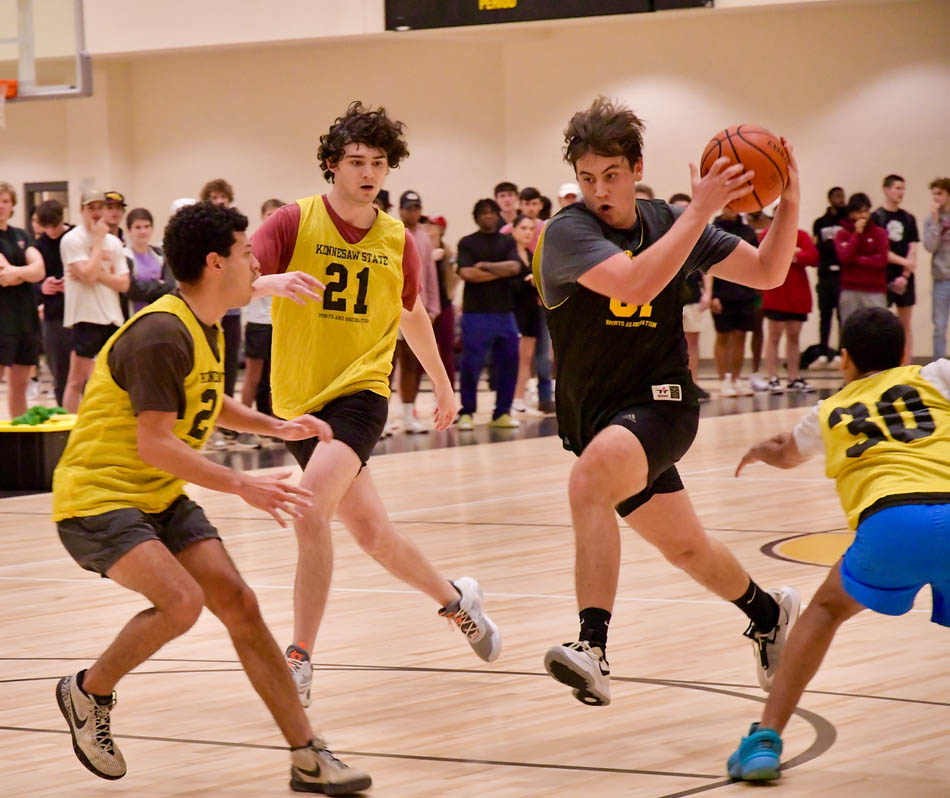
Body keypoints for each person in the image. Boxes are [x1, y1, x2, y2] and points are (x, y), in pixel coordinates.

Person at [52, 201, 370, 794]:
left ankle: (307, 755)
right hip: (97, 497)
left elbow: (207, 402)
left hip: (157, 497)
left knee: (241, 605)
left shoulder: (206, 323)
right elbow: (155, 442)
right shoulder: (159, 331)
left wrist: (275, 426)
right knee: (182, 601)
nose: (256, 264)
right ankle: (88, 691)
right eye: (249, 253)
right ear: (216, 261)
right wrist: (243, 484)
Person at [533, 96, 802, 707]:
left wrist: (788, 199)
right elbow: (636, 281)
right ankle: (767, 615)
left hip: (661, 403)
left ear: (636, 168)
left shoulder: (670, 220)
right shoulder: (566, 233)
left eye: (610, 175)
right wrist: (698, 213)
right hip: (595, 417)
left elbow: (767, 271)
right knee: (687, 548)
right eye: (586, 178)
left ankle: (592, 649)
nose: (598, 189)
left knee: (588, 483)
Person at [251, 101, 501, 707]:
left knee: (310, 513)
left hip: (361, 393)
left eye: (379, 163)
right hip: (297, 402)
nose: (368, 173)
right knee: (372, 533)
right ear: (332, 165)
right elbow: (230, 277)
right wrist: (269, 282)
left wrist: (442, 384)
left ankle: (299, 659)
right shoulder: (291, 222)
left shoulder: (398, 239)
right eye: (356, 162)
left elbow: (410, 313)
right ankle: (455, 599)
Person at [727, 307, 950, 782]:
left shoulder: (828, 411)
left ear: (844, 360)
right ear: (905, 352)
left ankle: (764, 739)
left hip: (891, 521)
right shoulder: (938, 374)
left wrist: (760, 451)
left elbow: (786, 452)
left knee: (826, 611)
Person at [60, 189, 130, 413]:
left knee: (115, 382)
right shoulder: (72, 240)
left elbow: (124, 284)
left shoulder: (115, 243)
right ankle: (68, 433)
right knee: (76, 380)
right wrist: (98, 243)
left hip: (113, 318)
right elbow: (88, 276)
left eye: (100, 207)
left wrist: (98, 274)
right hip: (86, 316)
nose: (97, 213)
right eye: (91, 208)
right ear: (81, 211)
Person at [456, 198, 523, 430]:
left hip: (504, 313)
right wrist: (500, 271)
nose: (488, 216)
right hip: (476, 313)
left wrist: (485, 266)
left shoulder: (507, 241)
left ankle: (502, 413)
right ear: (476, 217)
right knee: (471, 365)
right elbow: (467, 273)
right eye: (483, 213)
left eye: (492, 212)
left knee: (509, 363)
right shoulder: (467, 242)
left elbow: (515, 267)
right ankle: (467, 412)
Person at [394, 189, 440, 433]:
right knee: (387, 365)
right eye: (408, 208)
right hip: (390, 311)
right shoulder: (390, 233)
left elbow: (430, 276)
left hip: (416, 310)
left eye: (416, 208)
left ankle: (408, 413)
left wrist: (432, 308)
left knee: (413, 364)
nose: (412, 212)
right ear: (400, 210)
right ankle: (383, 417)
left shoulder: (423, 239)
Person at [239, 198, 283, 438]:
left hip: (280, 322)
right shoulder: (254, 246)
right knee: (253, 376)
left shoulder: (289, 246)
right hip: (258, 321)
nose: (273, 218)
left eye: (278, 214)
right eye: (269, 214)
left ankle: (274, 428)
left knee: (275, 377)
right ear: (262, 216)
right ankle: (241, 428)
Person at [0, 181, 45, 418]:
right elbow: (2, 276)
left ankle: (19, 438)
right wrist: (25, 272)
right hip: (2, 319)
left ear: (13, 204)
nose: (1, 205)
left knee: (20, 386)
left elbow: (39, 270)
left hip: (25, 319)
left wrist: (18, 273)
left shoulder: (21, 235)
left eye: (6, 201)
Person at [761, 223, 819, 392]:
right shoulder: (767, 233)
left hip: (797, 293)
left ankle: (793, 376)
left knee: (794, 336)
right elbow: (766, 255)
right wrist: (792, 252)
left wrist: (794, 255)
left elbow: (813, 257)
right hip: (776, 292)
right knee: (774, 336)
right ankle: (772, 377)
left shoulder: (801, 235)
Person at [710, 206, 759, 397]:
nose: (732, 207)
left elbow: (756, 259)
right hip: (722, 292)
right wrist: (713, 294)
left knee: (741, 336)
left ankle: (736, 379)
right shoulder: (713, 229)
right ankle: (723, 380)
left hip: (745, 292)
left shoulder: (747, 231)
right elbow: (707, 264)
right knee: (723, 336)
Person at [873, 174, 919, 364]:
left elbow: (912, 247)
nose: (901, 192)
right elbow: (880, 250)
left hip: (904, 277)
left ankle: (905, 365)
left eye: (903, 189)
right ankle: (881, 365)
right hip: (883, 275)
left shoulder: (908, 218)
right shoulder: (876, 217)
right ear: (886, 189)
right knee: (880, 323)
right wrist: (904, 263)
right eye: (897, 188)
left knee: (905, 324)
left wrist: (906, 275)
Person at [33, 199, 74, 406]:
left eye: (55, 226)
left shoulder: (76, 237)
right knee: (60, 374)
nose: (52, 232)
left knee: (86, 375)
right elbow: (30, 283)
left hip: (80, 314)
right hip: (54, 316)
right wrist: (43, 287)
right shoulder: (38, 246)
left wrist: (74, 283)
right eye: (46, 228)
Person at [670, 193, 711, 399]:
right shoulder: (664, 234)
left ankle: (693, 383)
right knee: (671, 344)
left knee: (693, 343)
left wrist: (708, 294)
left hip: (693, 296)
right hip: (670, 299)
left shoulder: (698, 234)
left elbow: (707, 268)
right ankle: (674, 385)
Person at [834, 192, 889, 325]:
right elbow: (845, 257)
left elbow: (881, 260)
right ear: (851, 214)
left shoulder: (880, 233)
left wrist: (857, 260)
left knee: (878, 332)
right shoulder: (842, 234)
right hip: (850, 290)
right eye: (858, 212)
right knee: (850, 331)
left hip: (875, 290)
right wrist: (857, 234)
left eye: (866, 211)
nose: (863, 216)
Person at [811, 186, 847, 367]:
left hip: (842, 274)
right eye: (837, 196)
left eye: (842, 196)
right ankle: (824, 351)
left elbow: (845, 248)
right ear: (830, 198)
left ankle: (841, 352)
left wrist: (833, 246)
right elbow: (817, 247)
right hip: (824, 274)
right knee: (825, 315)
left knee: (842, 315)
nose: (841, 199)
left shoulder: (847, 220)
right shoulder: (820, 223)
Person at [123, 207, 176, 315]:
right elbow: (131, 290)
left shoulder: (160, 255)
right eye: (138, 227)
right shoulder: (124, 255)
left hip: (158, 315)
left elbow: (170, 286)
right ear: (129, 230)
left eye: (147, 227)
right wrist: (158, 283)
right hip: (132, 317)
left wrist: (144, 285)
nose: (143, 231)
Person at [925, 177, 950, 358]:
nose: (936, 197)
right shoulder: (930, 219)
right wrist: (935, 223)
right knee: (939, 326)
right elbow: (929, 246)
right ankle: (938, 366)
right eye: (933, 193)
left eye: (939, 193)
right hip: (941, 279)